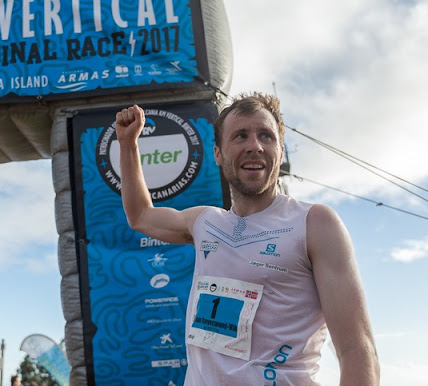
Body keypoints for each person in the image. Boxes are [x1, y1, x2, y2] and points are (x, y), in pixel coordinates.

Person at [115, 94, 380, 384]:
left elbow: (357, 349)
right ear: (218, 153)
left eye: (266, 136)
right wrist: (128, 144)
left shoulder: (316, 223)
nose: (254, 146)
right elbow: (140, 215)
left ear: (279, 151)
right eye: (240, 136)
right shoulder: (204, 221)